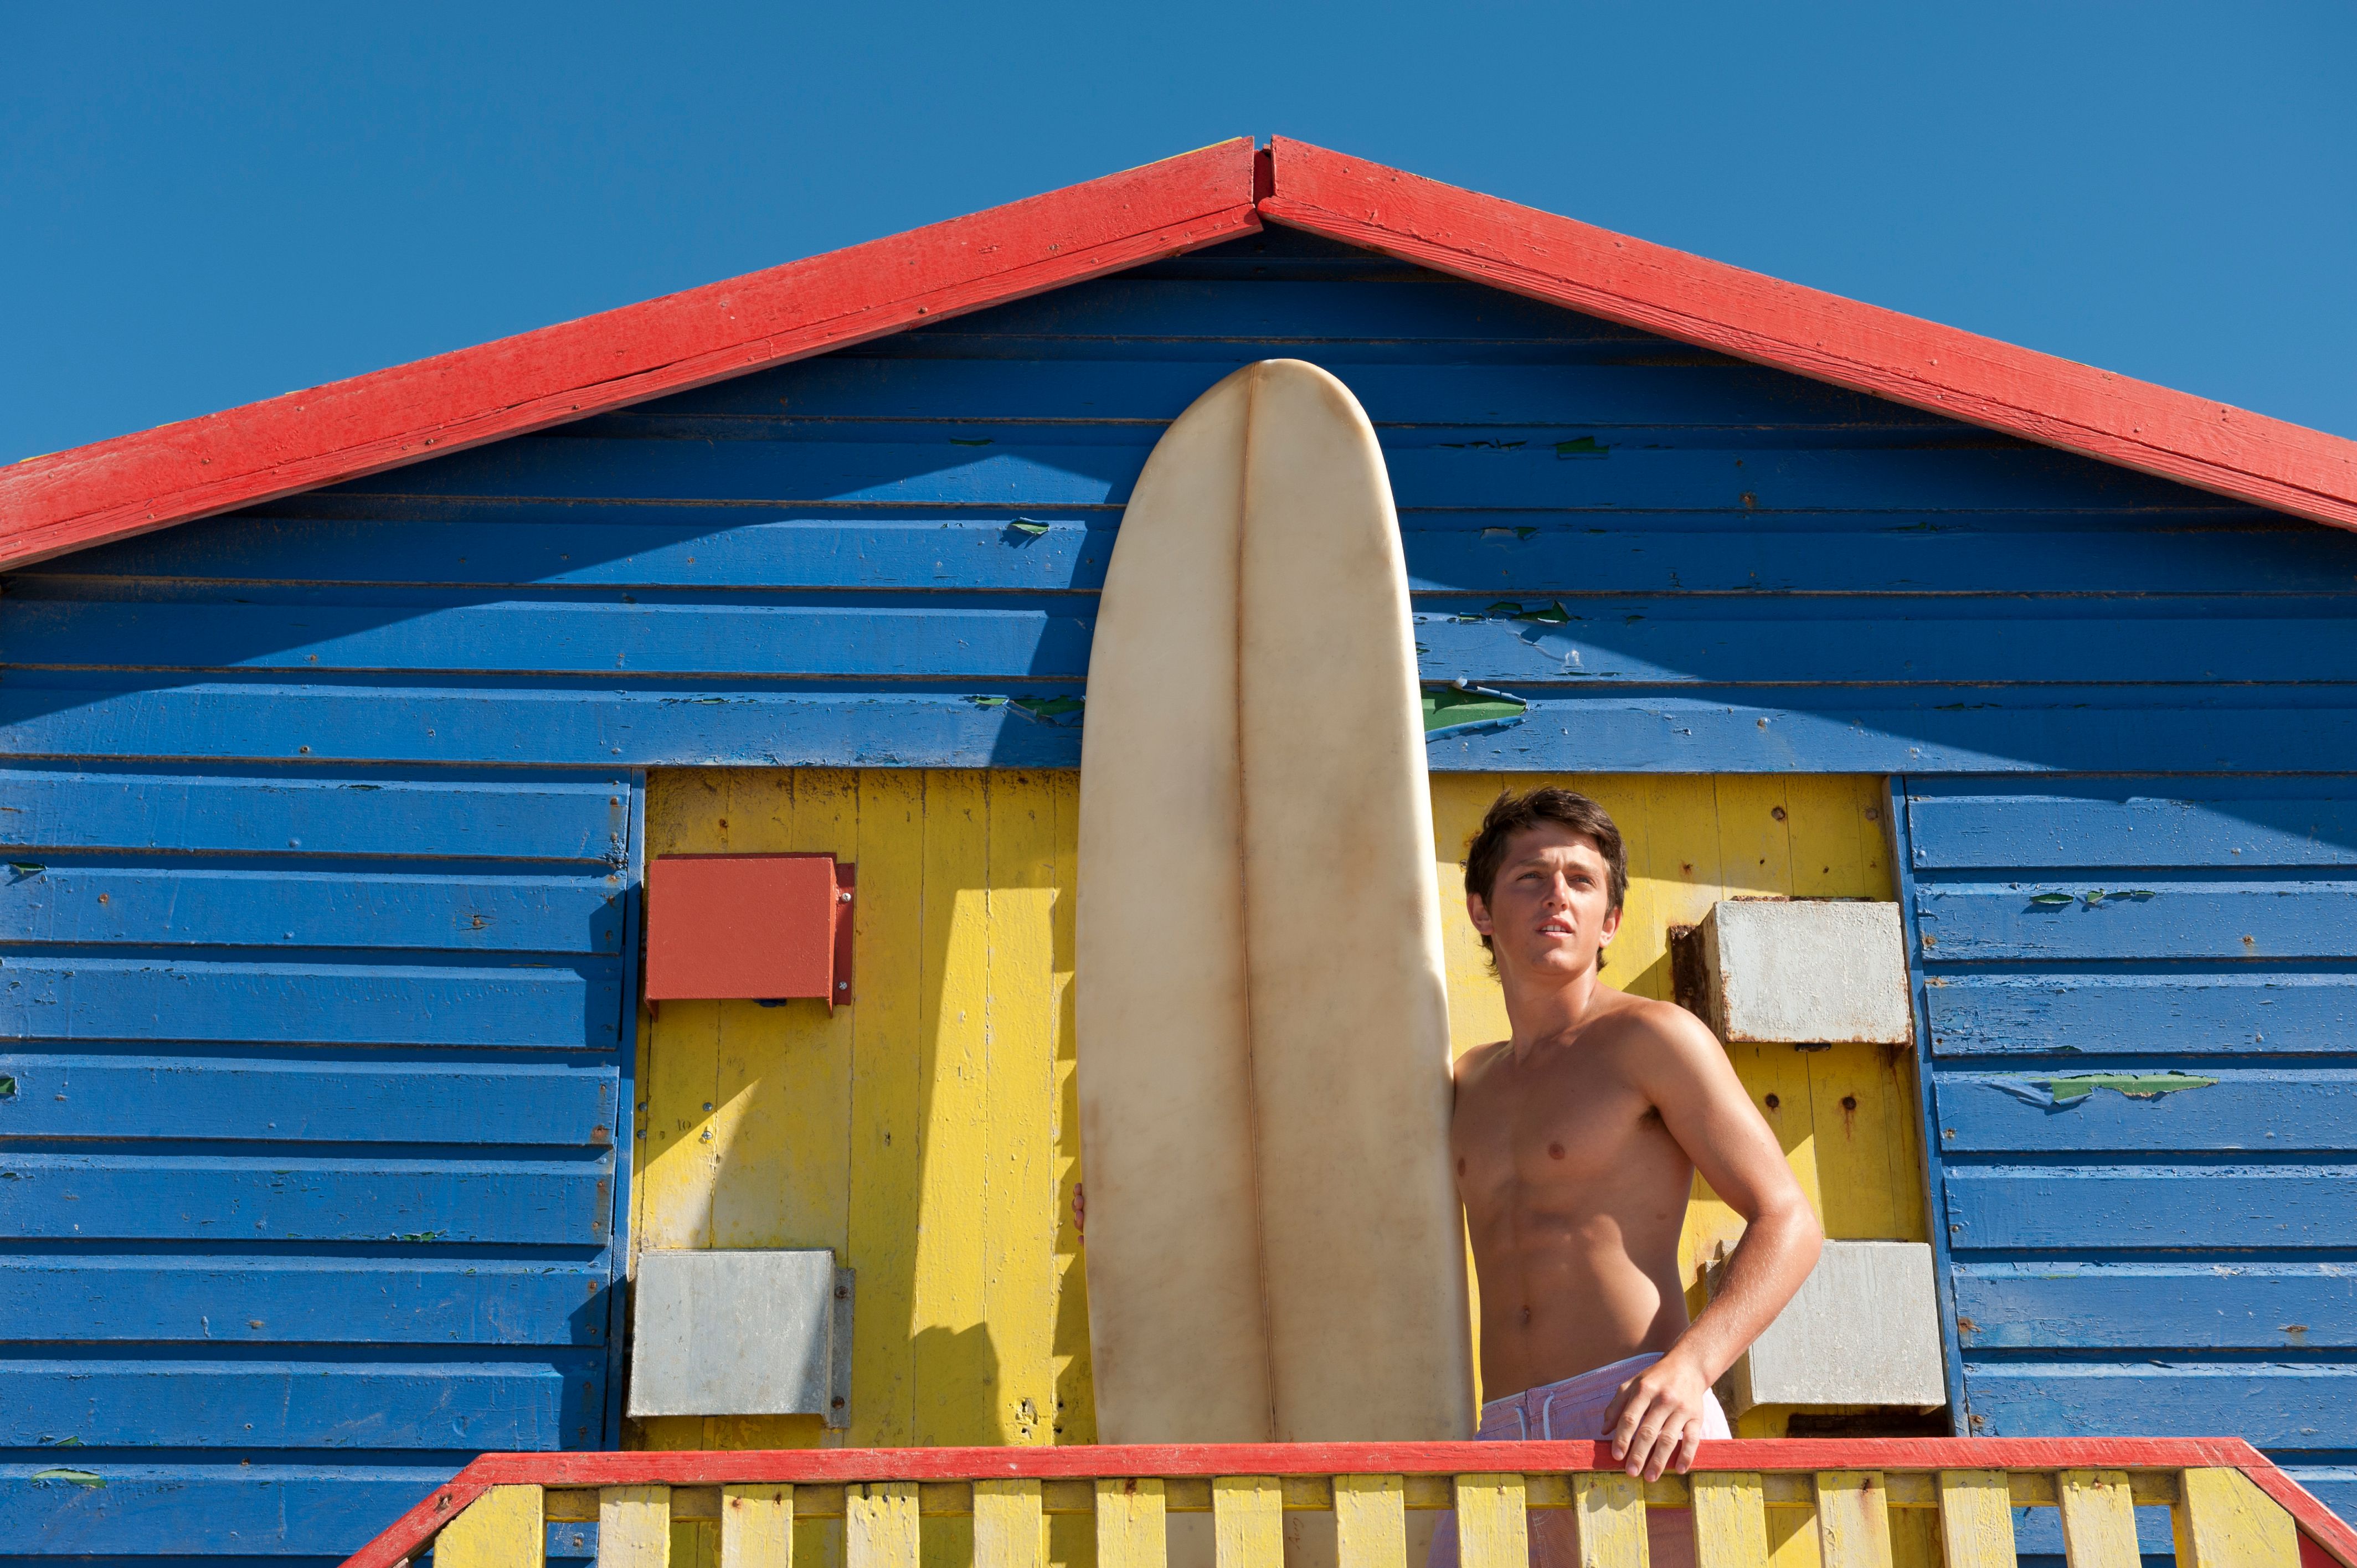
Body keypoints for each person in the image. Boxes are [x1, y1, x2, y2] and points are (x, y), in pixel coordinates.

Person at [1430, 788, 1823, 1568]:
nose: (1557, 897)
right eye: (1530, 878)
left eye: (1582, 881)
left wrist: (1691, 1369)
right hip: (1500, 1437)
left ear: (1610, 921)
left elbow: (1789, 1219)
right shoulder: (1464, 1084)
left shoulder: (1652, 1038)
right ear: (1481, 910)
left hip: (1638, 1424)